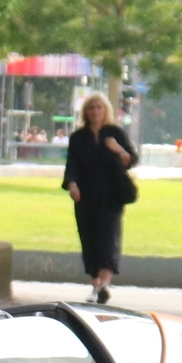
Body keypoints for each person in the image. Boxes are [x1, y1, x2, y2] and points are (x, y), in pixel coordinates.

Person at [62, 93, 137, 304]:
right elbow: (72, 165)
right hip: (86, 196)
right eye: (91, 108)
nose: (95, 112)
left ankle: (103, 285)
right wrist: (72, 184)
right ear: (86, 112)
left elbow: (131, 159)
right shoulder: (78, 137)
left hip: (111, 196)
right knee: (89, 239)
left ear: (106, 111)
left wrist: (118, 149)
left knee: (108, 239)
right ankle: (95, 284)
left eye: (99, 108)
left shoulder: (115, 133)